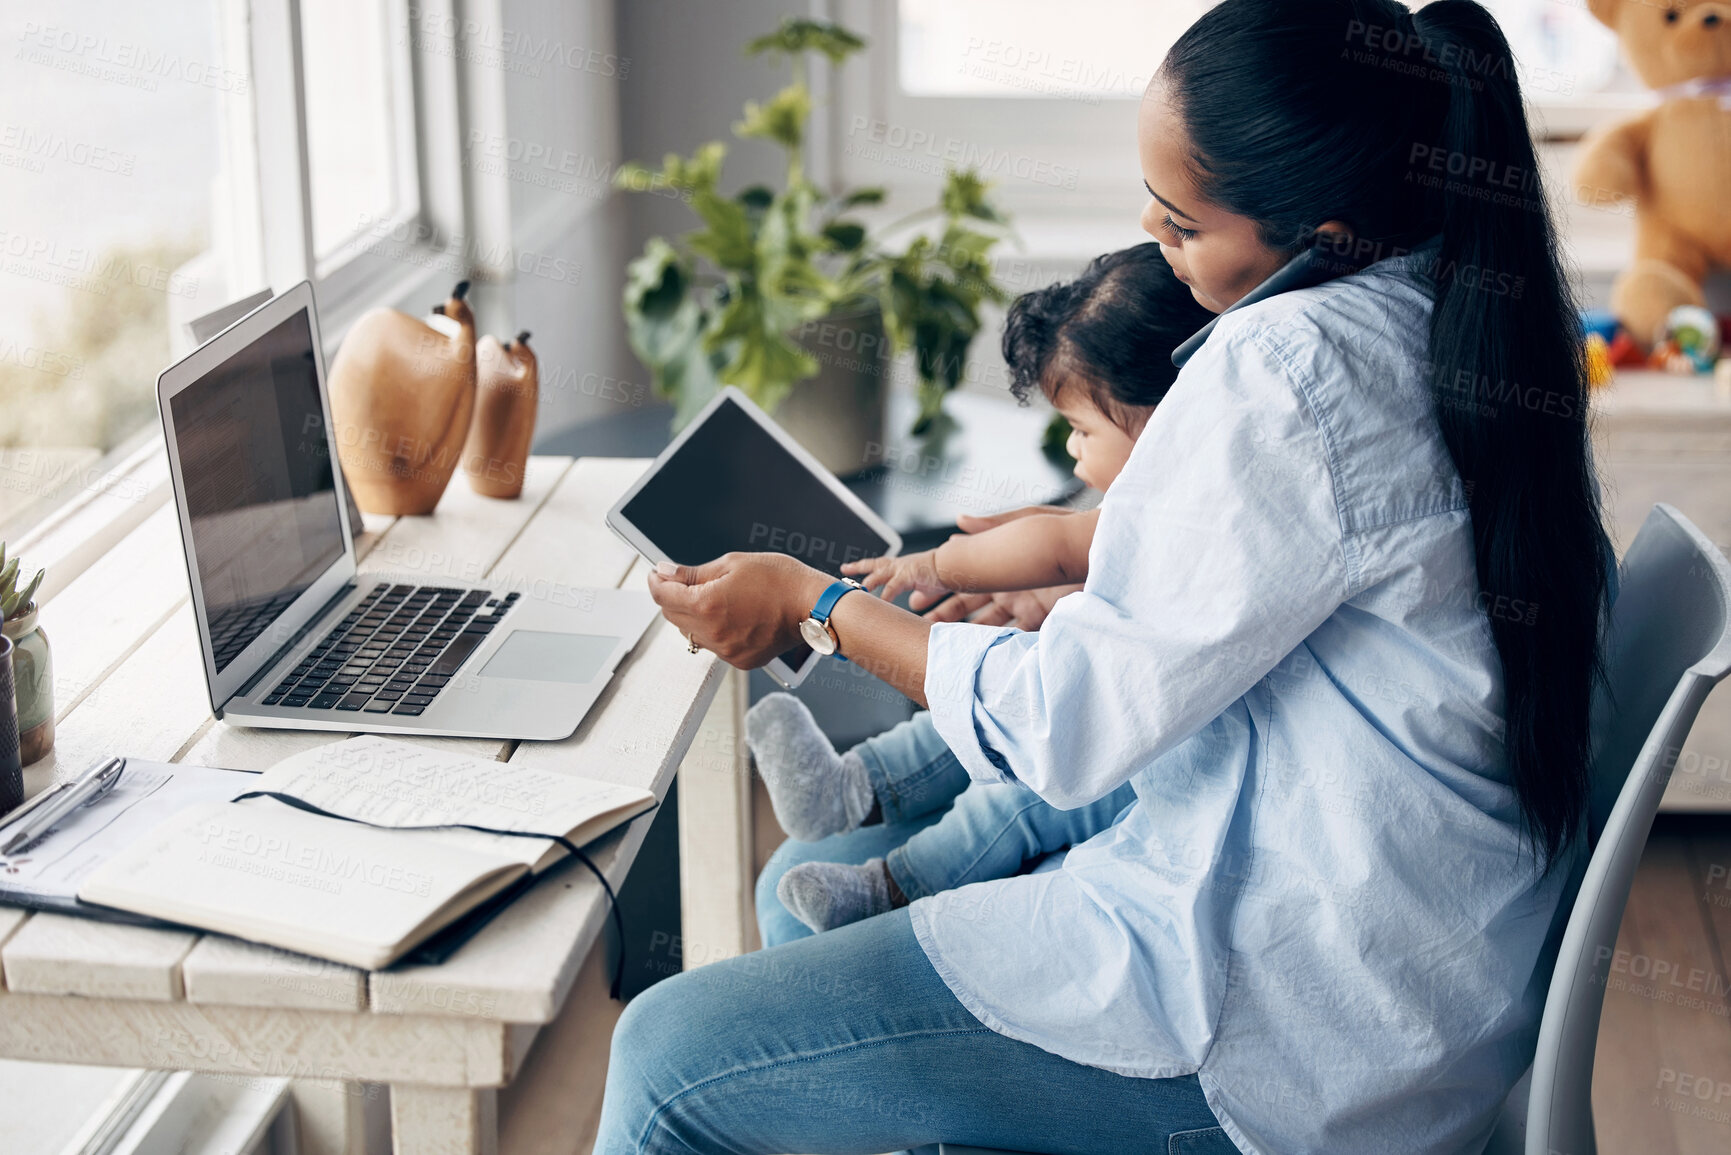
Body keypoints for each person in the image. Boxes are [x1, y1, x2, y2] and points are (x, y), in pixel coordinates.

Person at [595, 2, 1612, 1153]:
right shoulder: (1454, 312)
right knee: (819, 882)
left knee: (662, 1061)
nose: (1148, 229)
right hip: (1415, 991)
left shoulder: (1289, 365)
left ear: (1323, 230)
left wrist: (818, 604)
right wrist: (1086, 583)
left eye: (1179, 220)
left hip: (1284, 1037)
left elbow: (1069, 729)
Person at [751, 243, 1214, 937]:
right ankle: (850, 786)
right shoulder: (1170, 502)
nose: (1071, 450)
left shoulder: (1180, 508)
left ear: (1157, 420)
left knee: (1015, 797)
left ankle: (891, 886)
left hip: (1144, 754)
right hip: (1112, 693)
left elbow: (1054, 541)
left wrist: (939, 564)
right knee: (979, 695)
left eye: (1080, 429)